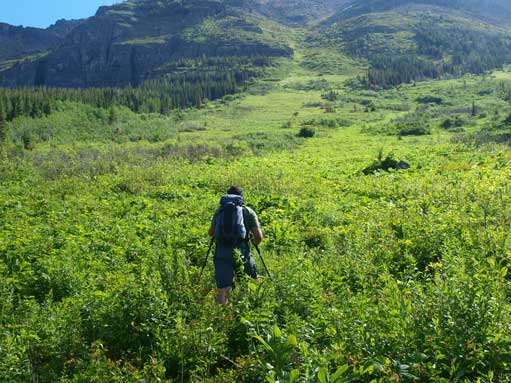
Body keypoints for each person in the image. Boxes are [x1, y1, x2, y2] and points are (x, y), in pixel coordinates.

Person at [208, 186, 263, 305]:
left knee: (223, 287)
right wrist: (252, 243)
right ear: (241, 197)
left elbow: (211, 233)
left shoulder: (220, 211)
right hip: (242, 252)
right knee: (251, 282)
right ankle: (253, 307)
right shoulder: (248, 211)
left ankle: (222, 315)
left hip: (222, 252)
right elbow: (259, 237)